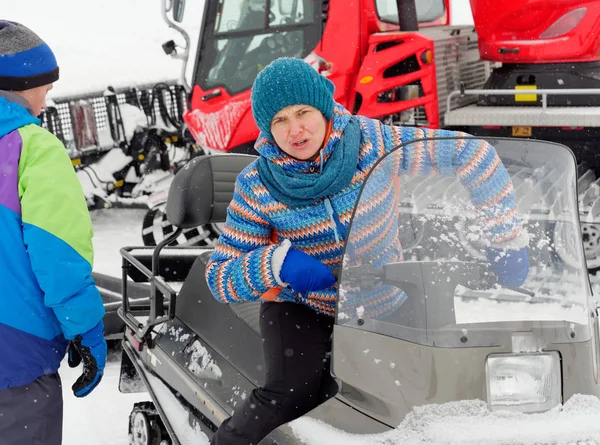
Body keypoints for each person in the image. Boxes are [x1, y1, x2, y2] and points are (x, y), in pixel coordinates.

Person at [205, 57, 529, 445]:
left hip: (388, 294)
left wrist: (504, 238)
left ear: (324, 108)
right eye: (279, 121)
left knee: (442, 389)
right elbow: (220, 278)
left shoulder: (372, 143)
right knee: (292, 394)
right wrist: (276, 263)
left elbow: (472, 154)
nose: (294, 130)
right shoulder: (258, 184)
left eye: (303, 112)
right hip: (305, 306)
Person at [0, 21, 107, 445]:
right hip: (15, 356)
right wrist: (86, 328)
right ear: (20, 84)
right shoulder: (32, 146)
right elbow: (57, 254)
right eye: (45, 86)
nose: (47, 99)